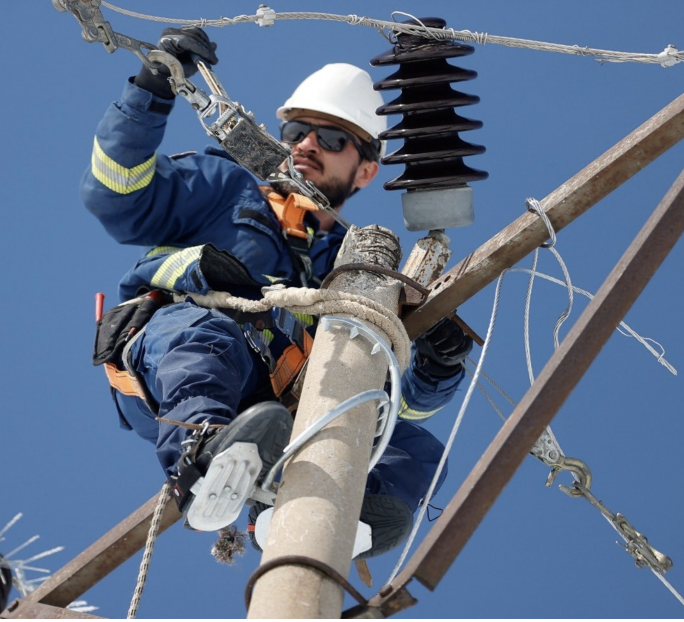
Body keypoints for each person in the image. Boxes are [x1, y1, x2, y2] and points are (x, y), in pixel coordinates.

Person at [81, 27, 471, 558]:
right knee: (209, 335)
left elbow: (393, 398)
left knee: (416, 451)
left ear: (366, 170)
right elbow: (115, 193)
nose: (307, 145)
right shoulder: (226, 187)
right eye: (296, 131)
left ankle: (321, 515)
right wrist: (151, 89)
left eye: (332, 139)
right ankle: (201, 461)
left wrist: (436, 367)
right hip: (179, 357)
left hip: (277, 406)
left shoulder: (356, 270)